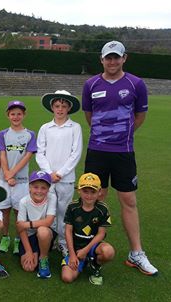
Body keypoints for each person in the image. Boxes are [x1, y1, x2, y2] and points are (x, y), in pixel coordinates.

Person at [82, 40, 158, 276]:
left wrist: (121, 136)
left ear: (124, 58)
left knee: (128, 200)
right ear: (101, 59)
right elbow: (89, 115)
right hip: (97, 151)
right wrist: (104, 137)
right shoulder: (91, 84)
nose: (112, 61)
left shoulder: (136, 84)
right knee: (93, 198)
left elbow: (140, 116)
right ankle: (85, 248)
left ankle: (136, 253)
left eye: (117, 57)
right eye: (108, 57)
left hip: (124, 152)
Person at [36, 90, 82, 256]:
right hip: (48, 180)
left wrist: (60, 173)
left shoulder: (75, 127)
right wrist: (49, 173)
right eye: (57, 106)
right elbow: (40, 152)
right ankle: (48, 240)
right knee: (47, 211)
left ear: (69, 108)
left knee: (63, 212)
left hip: (66, 179)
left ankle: (63, 243)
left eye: (63, 106)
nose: (60, 109)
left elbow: (75, 153)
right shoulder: (45, 128)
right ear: (52, 108)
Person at [0, 100, 37, 254]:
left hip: (21, 182)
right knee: (4, 211)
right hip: (4, 180)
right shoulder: (3, 134)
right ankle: (5, 237)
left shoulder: (30, 134)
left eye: (19, 114)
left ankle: (19, 239)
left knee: (20, 213)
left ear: (24, 115)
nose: (16, 116)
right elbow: (2, 154)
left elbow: (28, 156)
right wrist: (6, 174)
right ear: (8, 115)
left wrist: (11, 174)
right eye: (13, 114)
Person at [61, 173, 115, 286]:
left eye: (93, 192)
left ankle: (95, 265)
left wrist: (85, 250)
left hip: (92, 246)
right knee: (67, 277)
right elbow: (68, 231)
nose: (89, 196)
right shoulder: (72, 207)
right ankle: (83, 261)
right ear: (79, 190)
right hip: (76, 248)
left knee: (108, 252)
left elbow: (101, 234)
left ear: (99, 191)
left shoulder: (102, 209)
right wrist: (72, 254)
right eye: (85, 191)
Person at [16, 171, 56, 279]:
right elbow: (21, 228)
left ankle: (43, 258)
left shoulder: (52, 197)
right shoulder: (23, 201)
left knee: (42, 231)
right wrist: (28, 251)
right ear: (29, 187)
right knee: (29, 267)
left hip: (45, 233)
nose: (39, 191)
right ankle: (35, 251)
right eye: (35, 187)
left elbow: (48, 222)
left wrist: (27, 224)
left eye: (43, 188)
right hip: (29, 236)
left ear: (48, 189)